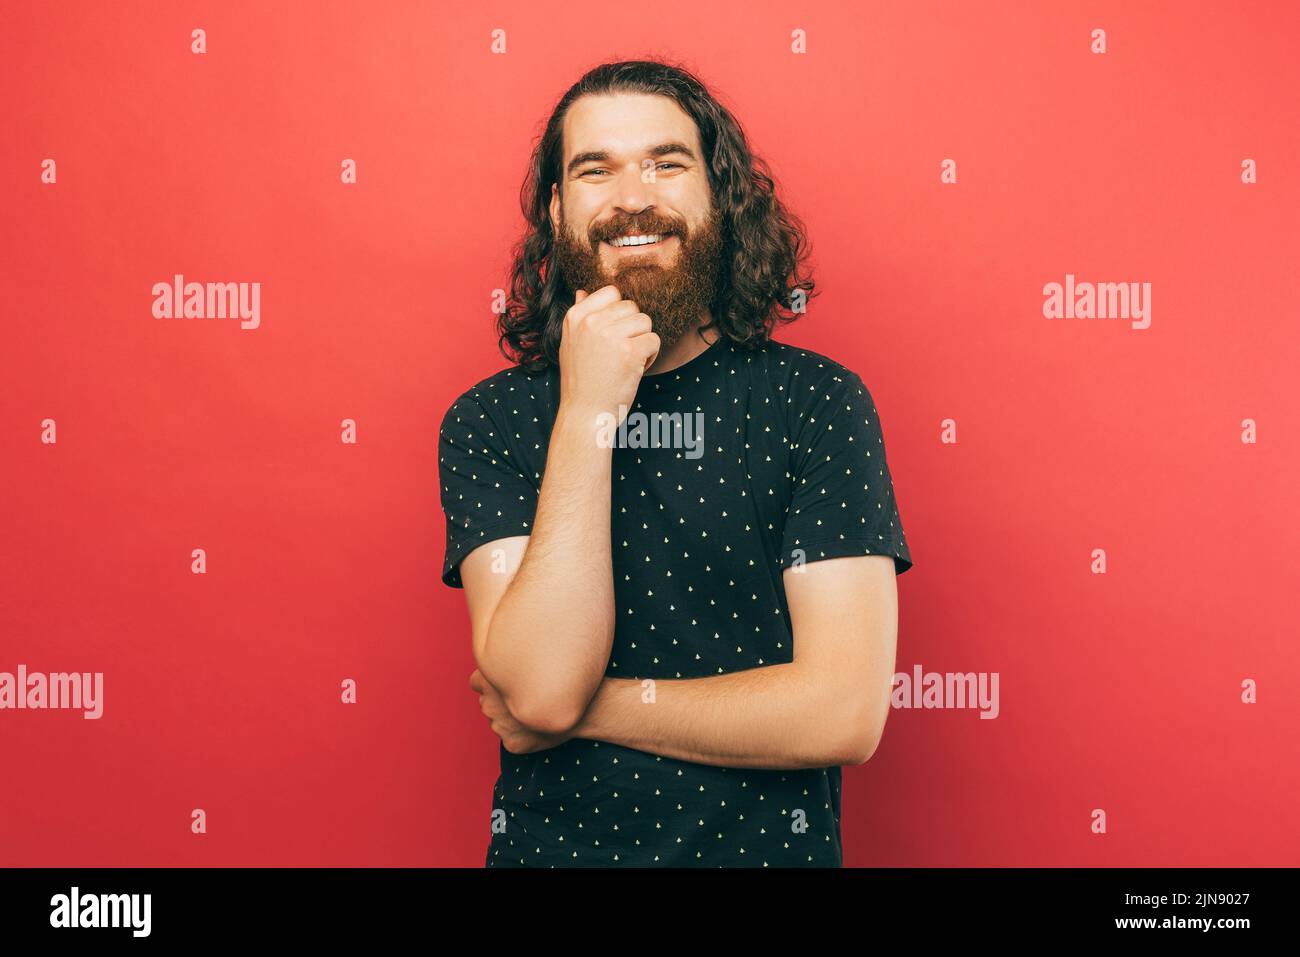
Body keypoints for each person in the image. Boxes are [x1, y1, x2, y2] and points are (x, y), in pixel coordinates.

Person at [438, 58, 914, 867]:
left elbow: (842, 711)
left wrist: (591, 712)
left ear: (718, 198)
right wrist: (588, 410)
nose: (632, 196)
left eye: (666, 162)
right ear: (557, 210)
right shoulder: (494, 420)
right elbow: (544, 682)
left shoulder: (818, 403)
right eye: (596, 169)